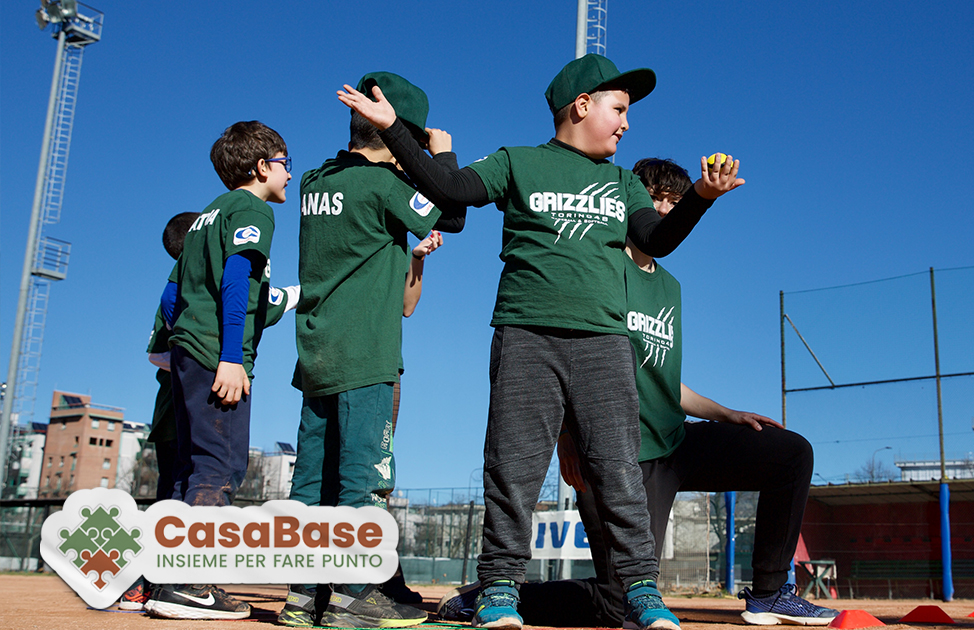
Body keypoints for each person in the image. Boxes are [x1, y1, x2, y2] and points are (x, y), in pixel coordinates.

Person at [338, 54, 743, 630]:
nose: (627, 123)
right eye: (619, 109)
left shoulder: (624, 181)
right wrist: (394, 131)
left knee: (619, 470)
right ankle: (501, 587)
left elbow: (657, 238)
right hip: (526, 334)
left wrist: (701, 195)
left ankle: (641, 590)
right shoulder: (518, 162)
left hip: (605, 343)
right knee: (513, 468)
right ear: (582, 105)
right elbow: (449, 187)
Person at [437, 158, 836, 627]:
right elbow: (561, 358)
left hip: (674, 441)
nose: (664, 209)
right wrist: (567, 438)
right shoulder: (597, 271)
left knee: (790, 454)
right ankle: (490, 595)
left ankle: (769, 594)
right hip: (617, 455)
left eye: (675, 200)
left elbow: (664, 379)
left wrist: (725, 413)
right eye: (654, 199)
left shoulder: (669, 286)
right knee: (617, 603)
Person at [277, 72, 465, 629]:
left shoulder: (314, 180)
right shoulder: (384, 187)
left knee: (311, 481)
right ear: (399, 133)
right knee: (365, 478)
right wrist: (441, 156)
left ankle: (302, 598)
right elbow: (453, 213)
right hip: (365, 354)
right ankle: (354, 596)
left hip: (316, 353)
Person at [145, 120, 291, 621]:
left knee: (190, 469)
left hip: (189, 353)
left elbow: (171, 295)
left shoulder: (207, 214)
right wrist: (231, 356)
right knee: (220, 467)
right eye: (284, 163)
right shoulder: (252, 209)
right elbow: (236, 280)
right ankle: (190, 583)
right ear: (261, 167)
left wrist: (184, 338)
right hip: (216, 355)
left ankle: (167, 580)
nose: (288, 174)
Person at [121, 211, 299, 612]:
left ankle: (160, 582)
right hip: (185, 406)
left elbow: (269, 302)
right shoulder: (198, 288)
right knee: (192, 484)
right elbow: (157, 352)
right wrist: (206, 356)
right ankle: (171, 581)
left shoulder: (194, 286)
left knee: (182, 488)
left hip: (183, 403)